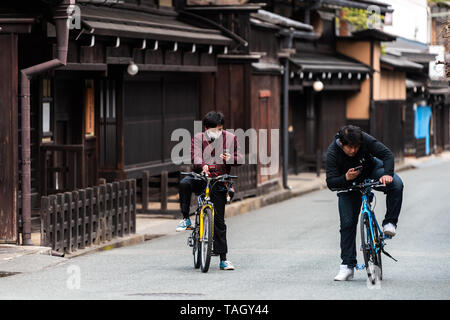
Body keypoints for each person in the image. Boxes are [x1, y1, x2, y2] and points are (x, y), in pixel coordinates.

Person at [326, 125, 404, 281]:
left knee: (396, 183)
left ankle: (390, 223)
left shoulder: (364, 138)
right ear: (341, 143)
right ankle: (347, 266)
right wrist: (346, 178)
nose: (354, 150)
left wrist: (387, 174)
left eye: (356, 147)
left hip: (371, 171)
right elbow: (331, 182)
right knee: (347, 224)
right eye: (350, 147)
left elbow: (387, 154)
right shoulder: (332, 153)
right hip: (348, 184)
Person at [176, 111, 243, 271]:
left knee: (219, 221)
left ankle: (223, 259)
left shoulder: (230, 138)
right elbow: (195, 156)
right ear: (206, 128)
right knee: (185, 183)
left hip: (219, 180)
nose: (217, 132)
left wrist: (231, 159)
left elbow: (240, 158)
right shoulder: (198, 138)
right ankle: (186, 218)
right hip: (201, 177)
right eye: (213, 129)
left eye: (219, 129)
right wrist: (202, 166)